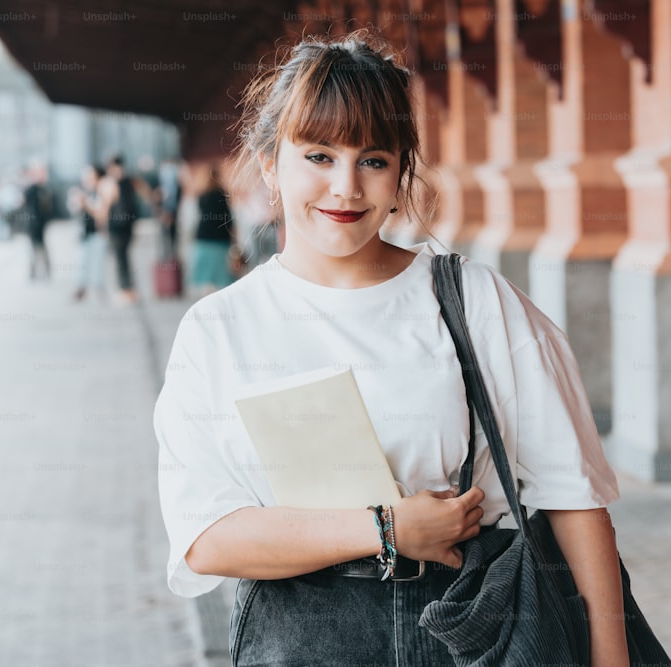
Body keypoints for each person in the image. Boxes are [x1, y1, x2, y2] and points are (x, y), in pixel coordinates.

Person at [153, 31, 629, 666]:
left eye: (372, 159)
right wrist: (389, 528)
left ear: (402, 169)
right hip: (299, 640)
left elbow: (574, 497)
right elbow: (203, 539)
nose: (346, 188)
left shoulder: (473, 300)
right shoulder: (220, 328)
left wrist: (611, 656)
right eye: (318, 156)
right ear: (270, 163)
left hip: (471, 629)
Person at [186, 163, 238, 298]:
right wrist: (235, 237)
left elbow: (194, 216)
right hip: (220, 237)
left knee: (205, 269)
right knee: (221, 269)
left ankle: (207, 295)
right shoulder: (221, 194)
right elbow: (228, 218)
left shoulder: (201, 195)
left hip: (203, 236)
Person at [104, 155, 139, 304]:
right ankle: (127, 289)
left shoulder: (115, 184)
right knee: (123, 258)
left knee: (121, 259)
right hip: (125, 226)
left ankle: (125, 290)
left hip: (118, 227)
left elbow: (106, 206)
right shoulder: (130, 182)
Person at [72, 164, 108, 301]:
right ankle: (81, 288)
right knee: (82, 261)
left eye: (90, 176)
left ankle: (99, 289)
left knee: (98, 262)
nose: (86, 179)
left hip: (98, 233)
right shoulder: (82, 192)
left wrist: (85, 204)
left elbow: (100, 214)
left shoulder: (101, 191)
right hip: (84, 233)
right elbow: (75, 210)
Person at [23, 162, 54, 281]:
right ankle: (33, 272)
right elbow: (24, 201)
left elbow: (48, 207)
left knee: (42, 248)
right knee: (33, 249)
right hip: (32, 224)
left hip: (41, 224)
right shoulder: (31, 189)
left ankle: (46, 271)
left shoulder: (45, 189)